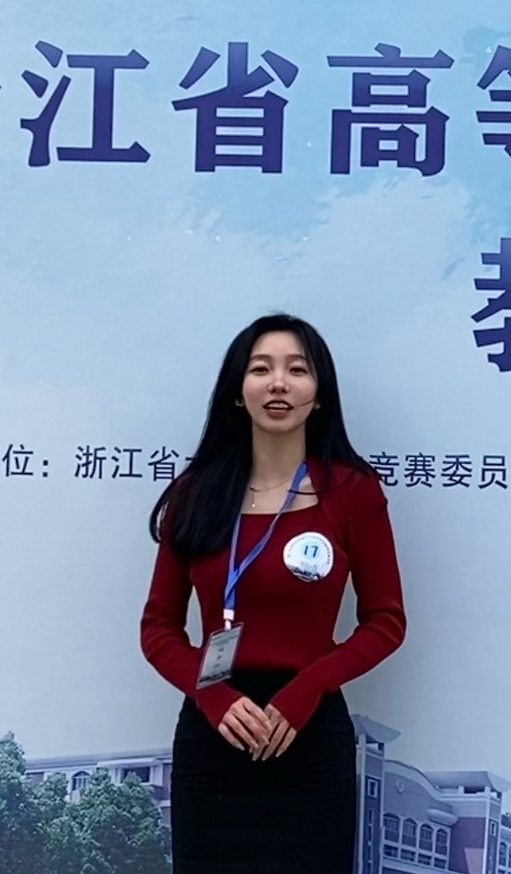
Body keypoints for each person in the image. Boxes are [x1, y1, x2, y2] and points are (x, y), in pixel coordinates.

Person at [140, 313, 406, 874]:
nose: (278, 383)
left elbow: (386, 621)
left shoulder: (352, 493)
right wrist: (212, 697)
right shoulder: (196, 492)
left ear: (319, 393)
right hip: (214, 741)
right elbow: (158, 627)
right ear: (238, 391)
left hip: (309, 741)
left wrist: (308, 688)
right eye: (261, 369)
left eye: (297, 370)